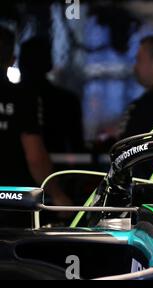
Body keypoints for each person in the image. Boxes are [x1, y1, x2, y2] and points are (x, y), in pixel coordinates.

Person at [0, 26, 72, 227]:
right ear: (13, 59)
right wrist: (58, 196)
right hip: (13, 201)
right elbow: (35, 156)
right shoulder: (23, 96)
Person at [18, 36, 85, 153]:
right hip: (56, 167)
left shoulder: (12, 98)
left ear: (20, 63)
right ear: (49, 63)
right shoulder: (67, 101)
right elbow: (78, 146)